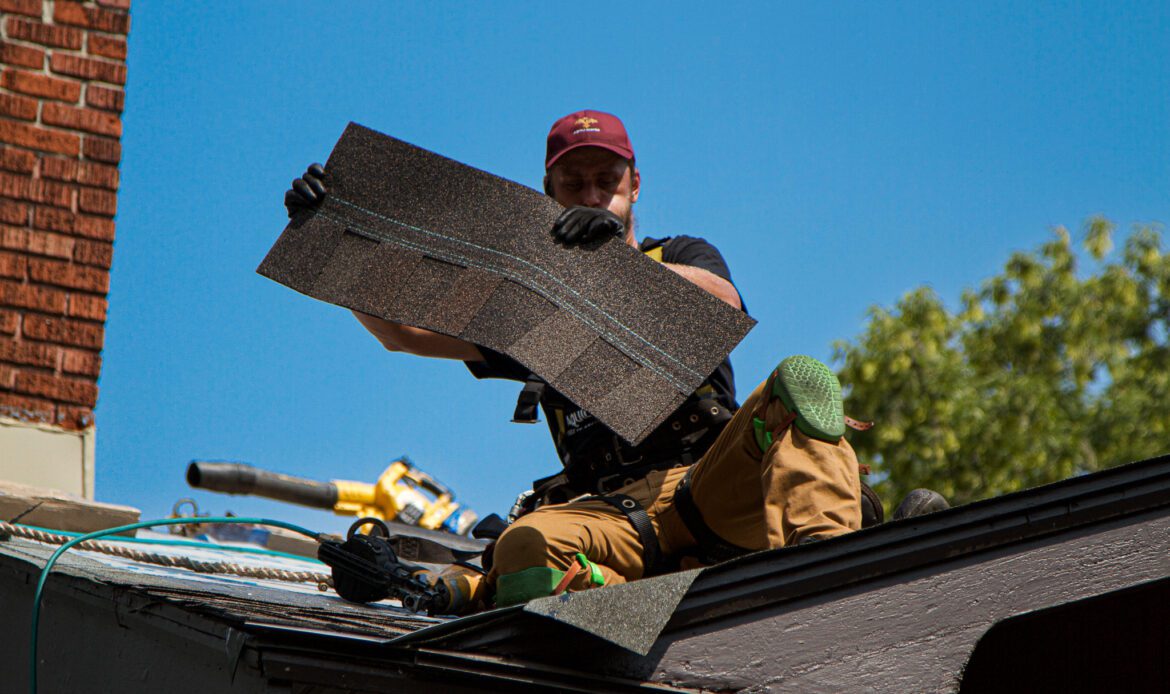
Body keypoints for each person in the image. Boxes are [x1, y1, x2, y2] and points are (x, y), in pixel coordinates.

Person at [284, 110, 865, 614]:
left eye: (606, 183)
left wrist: (610, 264)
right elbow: (401, 332)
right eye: (574, 183)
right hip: (614, 520)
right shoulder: (528, 311)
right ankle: (635, 601)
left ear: (634, 186)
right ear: (548, 192)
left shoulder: (679, 255)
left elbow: (719, 301)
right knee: (520, 547)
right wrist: (333, 234)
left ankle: (826, 571)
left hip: (711, 486)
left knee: (798, 387)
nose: (592, 196)